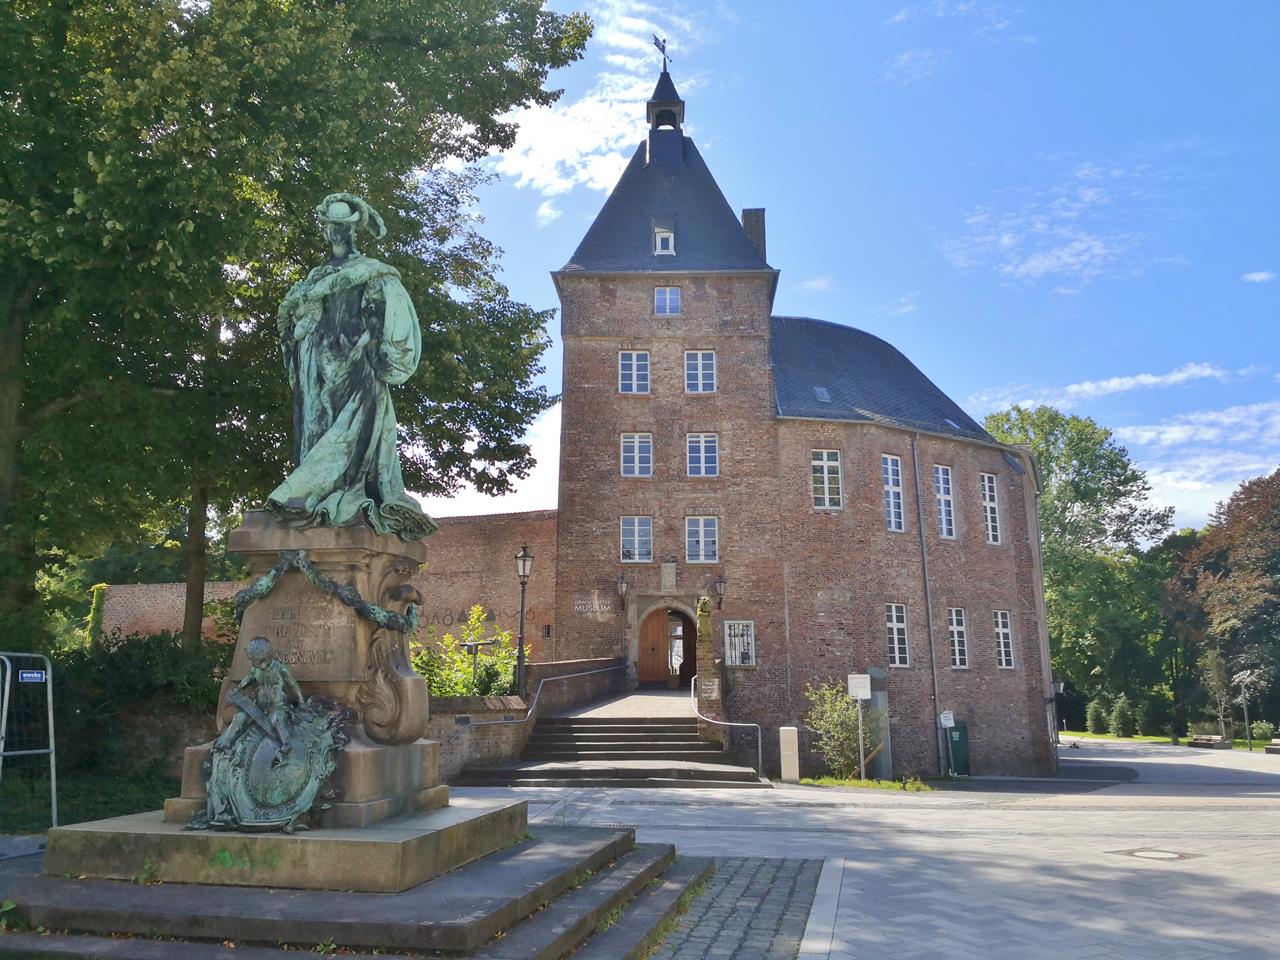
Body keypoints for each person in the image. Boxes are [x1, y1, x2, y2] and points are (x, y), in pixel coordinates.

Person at [266, 193, 435, 541]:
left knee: (353, 431)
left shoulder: (372, 271)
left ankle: (330, 491)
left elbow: (389, 312)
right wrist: (298, 325)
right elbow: (297, 319)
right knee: (314, 428)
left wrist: (378, 346)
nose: (336, 232)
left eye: (342, 226)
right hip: (317, 364)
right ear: (325, 228)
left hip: (357, 363)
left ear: (353, 229)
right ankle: (311, 495)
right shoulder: (316, 275)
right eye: (331, 225)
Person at [213, 635, 302, 756]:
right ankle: (225, 744)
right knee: (239, 717)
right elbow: (248, 679)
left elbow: (293, 685)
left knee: (276, 719)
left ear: (262, 656)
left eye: (253, 659)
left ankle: (286, 744)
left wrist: (301, 702)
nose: (252, 662)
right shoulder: (256, 669)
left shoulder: (280, 668)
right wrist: (239, 687)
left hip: (277, 705)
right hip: (259, 705)